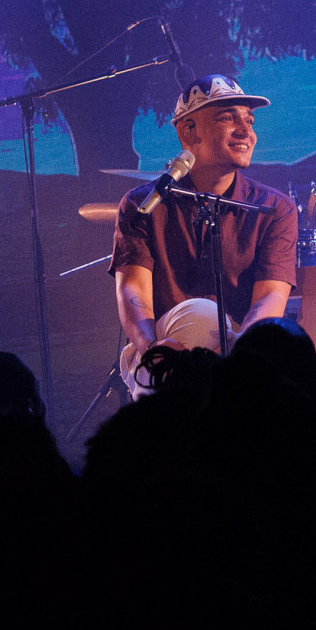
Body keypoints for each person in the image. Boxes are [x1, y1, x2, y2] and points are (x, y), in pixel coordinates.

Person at [109, 74, 298, 398]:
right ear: (188, 131)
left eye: (249, 121)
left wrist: (238, 353)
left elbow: (270, 298)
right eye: (228, 118)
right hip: (162, 348)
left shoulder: (273, 208)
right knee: (198, 316)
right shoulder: (143, 205)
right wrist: (152, 349)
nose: (246, 131)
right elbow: (132, 289)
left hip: (243, 350)